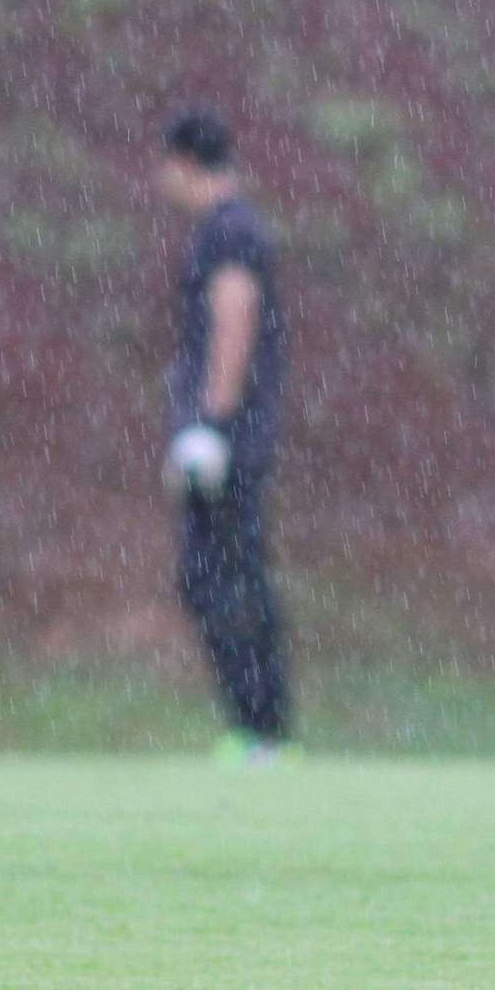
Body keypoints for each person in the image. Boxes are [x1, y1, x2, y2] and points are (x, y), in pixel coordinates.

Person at [154, 109, 290, 762]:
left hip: (229, 442)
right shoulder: (229, 228)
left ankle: (262, 726)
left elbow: (234, 320)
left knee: (221, 577)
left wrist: (209, 426)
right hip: (235, 437)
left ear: (183, 162)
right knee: (221, 576)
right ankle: (260, 724)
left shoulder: (228, 233)